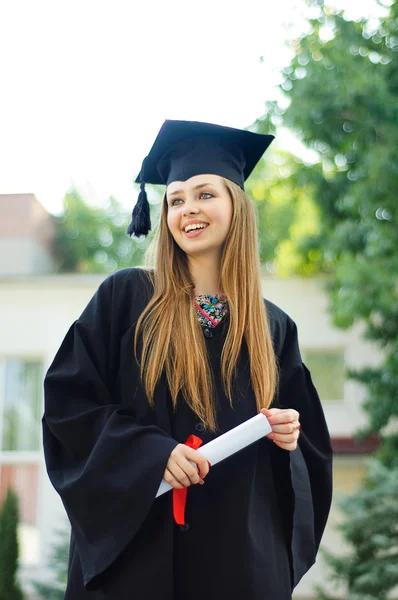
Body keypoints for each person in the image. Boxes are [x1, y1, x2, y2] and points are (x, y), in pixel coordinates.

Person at [43, 119, 333, 600]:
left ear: (236, 205)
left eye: (204, 194)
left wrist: (288, 438)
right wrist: (151, 456)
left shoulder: (272, 328)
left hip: (237, 565)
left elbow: (309, 459)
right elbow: (70, 409)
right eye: (175, 199)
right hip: (137, 565)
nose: (188, 209)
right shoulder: (125, 299)